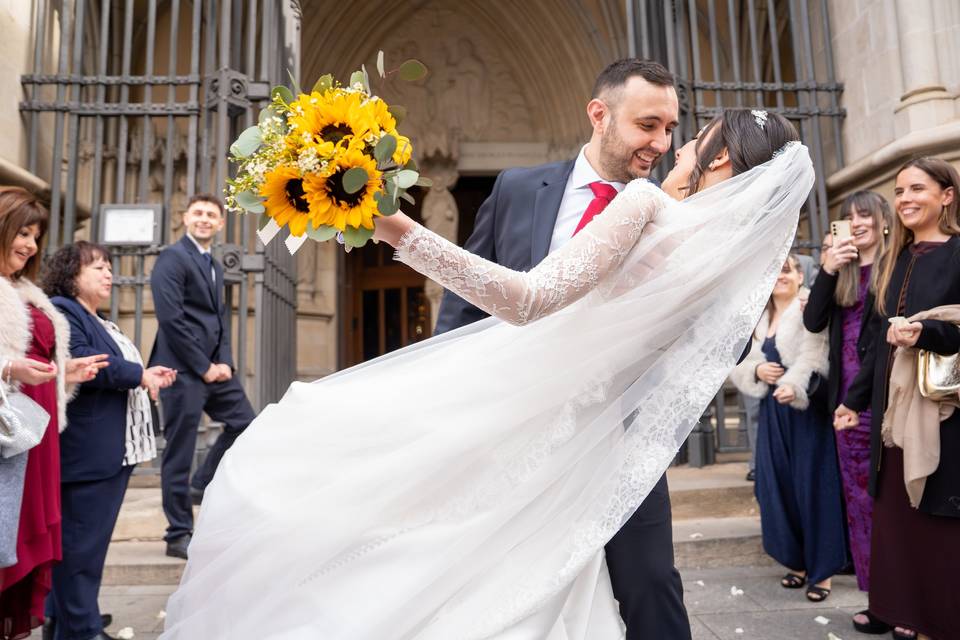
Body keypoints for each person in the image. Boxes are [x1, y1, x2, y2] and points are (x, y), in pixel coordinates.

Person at [159, 107, 812, 639]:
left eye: (695, 139)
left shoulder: (644, 206)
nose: (680, 148)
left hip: (525, 397)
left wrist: (397, 229)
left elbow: (526, 300)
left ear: (721, 158)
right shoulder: (729, 267)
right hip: (597, 438)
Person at [432, 58, 688, 638]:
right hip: (521, 425)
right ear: (599, 114)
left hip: (621, 429)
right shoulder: (517, 188)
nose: (661, 143)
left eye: (670, 129)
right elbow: (466, 298)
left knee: (649, 582)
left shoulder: (669, 213)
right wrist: (452, 395)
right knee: (513, 581)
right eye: (648, 125)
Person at [835, 157, 960, 640]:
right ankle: (908, 611)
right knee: (900, 519)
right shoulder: (895, 259)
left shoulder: (957, 253)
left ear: (946, 195)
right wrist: (854, 400)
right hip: (893, 413)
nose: (905, 199)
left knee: (936, 516)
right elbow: (875, 343)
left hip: (943, 415)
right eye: (900, 190)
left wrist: (925, 331)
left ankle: (940, 620)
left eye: (917, 189)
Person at [40, 241, 176, 640]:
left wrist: (146, 374)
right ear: (70, 275)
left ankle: (63, 620)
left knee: (83, 546)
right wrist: (139, 375)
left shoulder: (98, 319)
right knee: (81, 551)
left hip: (110, 451)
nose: (107, 273)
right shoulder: (65, 311)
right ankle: (80, 630)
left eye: (108, 266)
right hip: (86, 453)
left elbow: (113, 366)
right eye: (96, 266)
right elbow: (89, 364)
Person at [0, 187, 107, 638]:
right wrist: (7, 367)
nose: (29, 244)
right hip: (9, 438)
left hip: (39, 435)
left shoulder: (26, 290)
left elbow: (41, 357)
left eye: (35, 235)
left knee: (25, 542)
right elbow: (14, 361)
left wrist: (67, 373)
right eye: (21, 232)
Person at [731, 254, 847, 602]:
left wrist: (793, 386)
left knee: (814, 487)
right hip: (771, 413)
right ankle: (795, 563)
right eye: (776, 270)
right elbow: (741, 359)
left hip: (804, 410)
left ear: (800, 276)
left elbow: (816, 354)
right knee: (775, 487)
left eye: (787, 270)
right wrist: (755, 372)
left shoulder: (809, 306)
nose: (781, 276)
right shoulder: (758, 315)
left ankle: (823, 572)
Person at [149, 194, 256, 560]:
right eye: (198, 213)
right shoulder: (172, 258)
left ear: (221, 223)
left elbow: (219, 318)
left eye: (212, 214)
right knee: (178, 452)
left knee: (246, 424)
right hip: (180, 370)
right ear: (185, 218)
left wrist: (225, 361)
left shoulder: (211, 262)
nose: (204, 219)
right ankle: (178, 533)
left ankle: (200, 484)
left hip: (213, 369)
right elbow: (172, 320)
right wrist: (203, 365)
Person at [802, 191, 890, 606]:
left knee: (891, 499)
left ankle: (902, 596)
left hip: (886, 395)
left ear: (883, 221)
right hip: (845, 403)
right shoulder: (844, 270)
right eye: (848, 217)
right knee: (857, 498)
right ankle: (876, 597)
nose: (857, 223)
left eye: (865, 215)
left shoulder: (900, 265)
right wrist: (827, 269)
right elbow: (812, 320)